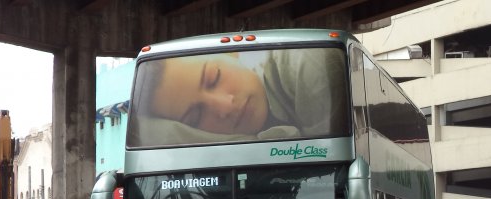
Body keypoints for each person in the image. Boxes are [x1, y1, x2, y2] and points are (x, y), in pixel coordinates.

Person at [133, 47, 349, 140]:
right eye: (196, 118)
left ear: (231, 52)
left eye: (214, 77)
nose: (225, 106)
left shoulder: (305, 64)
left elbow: (324, 179)